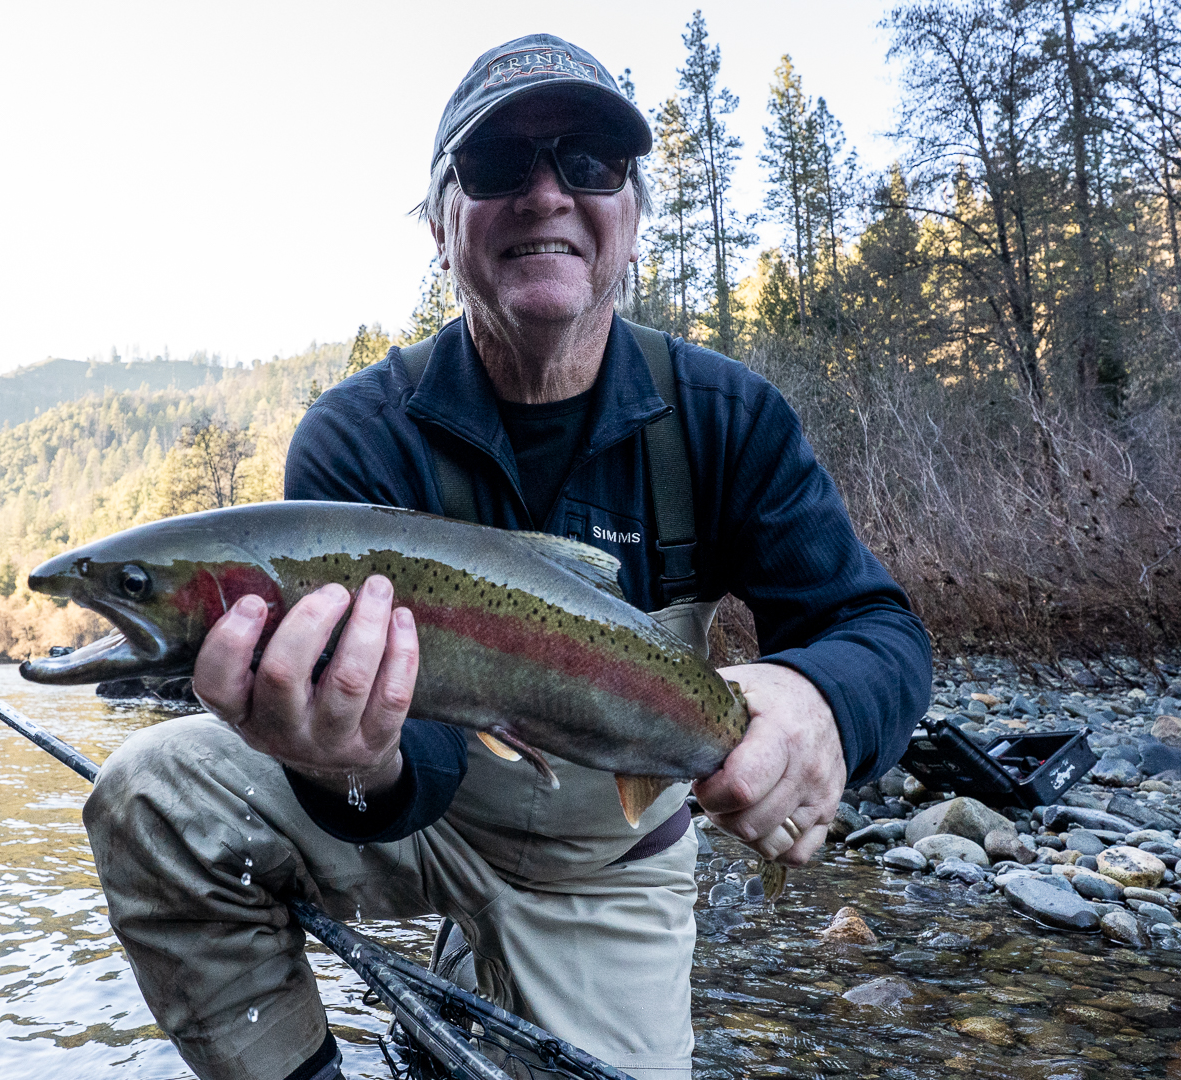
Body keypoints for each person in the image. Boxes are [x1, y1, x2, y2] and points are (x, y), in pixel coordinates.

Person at [84, 33, 931, 1080]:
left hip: (610, 859)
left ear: (633, 216)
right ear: (441, 228)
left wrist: (822, 701)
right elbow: (415, 764)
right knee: (151, 792)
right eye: (494, 166)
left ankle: (492, 971)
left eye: (590, 162)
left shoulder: (726, 417)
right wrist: (351, 762)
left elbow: (877, 629)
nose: (546, 193)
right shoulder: (360, 437)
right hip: (413, 806)